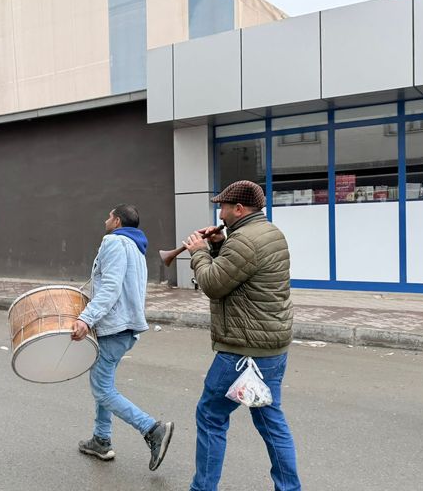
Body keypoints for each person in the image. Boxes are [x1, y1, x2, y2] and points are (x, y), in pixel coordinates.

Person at [183, 180, 301, 491]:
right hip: (271, 345)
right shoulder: (269, 232)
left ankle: (202, 488)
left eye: (222, 206)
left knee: (210, 415)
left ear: (238, 209)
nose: (219, 211)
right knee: (269, 419)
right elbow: (239, 274)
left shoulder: (245, 240)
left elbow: (213, 283)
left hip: (244, 348)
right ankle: (289, 487)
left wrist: (198, 252)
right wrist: (220, 245)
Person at [70, 204, 174, 471]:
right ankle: (101, 440)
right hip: (126, 327)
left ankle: (152, 429)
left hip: (113, 327)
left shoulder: (114, 242)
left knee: (102, 389)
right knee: (105, 386)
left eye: (109, 216)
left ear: (116, 221)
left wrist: (86, 318)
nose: (105, 220)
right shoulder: (136, 247)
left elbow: (111, 287)